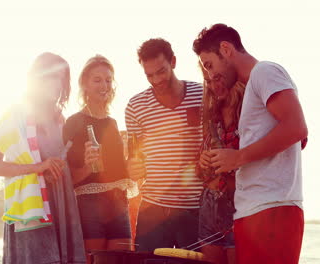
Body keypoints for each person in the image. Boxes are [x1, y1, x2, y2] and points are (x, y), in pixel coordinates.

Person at [193, 23, 308, 264]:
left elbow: (297, 128)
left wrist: (238, 157)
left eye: (209, 64)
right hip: (252, 211)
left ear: (225, 49)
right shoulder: (254, 86)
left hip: (272, 209)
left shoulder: (265, 71)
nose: (211, 75)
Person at [0, 52, 86, 264]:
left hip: (61, 207)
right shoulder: (16, 115)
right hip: (31, 211)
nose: (58, 83)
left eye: (62, 78)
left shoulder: (62, 120)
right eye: (52, 76)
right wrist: (39, 167)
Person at [125, 38, 204, 252]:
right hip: (152, 210)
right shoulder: (135, 106)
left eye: (161, 71)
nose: (156, 80)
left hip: (195, 208)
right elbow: (134, 158)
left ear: (174, 62)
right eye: (149, 75)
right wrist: (132, 167)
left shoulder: (203, 96)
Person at [63, 55, 133, 263]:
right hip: (90, 205)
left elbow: (121, 171)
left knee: (122, 260)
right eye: (97, 80)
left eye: (108, 80)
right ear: (84, 83)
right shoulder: (74, 123)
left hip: (119, 202)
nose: (104, 85)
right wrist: (86, 165)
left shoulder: (113, 123)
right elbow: (69, 180)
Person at [195, 64, 245, 264]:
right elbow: (200, 171)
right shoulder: (211, 115)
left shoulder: (248, 111)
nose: (214, 87)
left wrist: (236, 157)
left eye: (218, 79)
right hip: (209, 205)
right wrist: (202, 161)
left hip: (238, 203)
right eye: (209, 82)